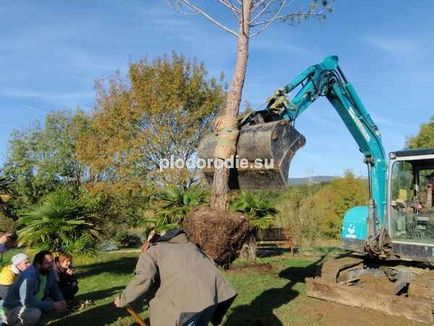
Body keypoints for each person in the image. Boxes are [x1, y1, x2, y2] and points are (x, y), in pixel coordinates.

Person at [114, 229, 237, 326]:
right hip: (212, 297)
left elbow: (143, 278)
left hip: (188, 304)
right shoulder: (192, 247)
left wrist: (123, 298)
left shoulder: (153, 251)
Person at [3, 250, 67, 325]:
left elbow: (54, 289)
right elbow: (28, 302)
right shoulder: (28, 277)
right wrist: (53, 305)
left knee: (49, 302)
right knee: (34, 313)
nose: (51, 265)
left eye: (52, 262)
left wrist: (61, 300)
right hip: (14, 308)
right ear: (38, 264)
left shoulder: (49, 272)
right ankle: (10, 322)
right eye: (47, 263)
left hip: (32, 302)